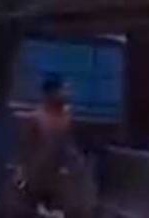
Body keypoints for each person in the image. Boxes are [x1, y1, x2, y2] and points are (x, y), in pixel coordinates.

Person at [6, 75, 91, 218]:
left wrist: (77, 168)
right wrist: (21, 172)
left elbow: (70, 147)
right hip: (36, 178)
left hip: (59, 179)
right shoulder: (36, 118)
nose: (66, 93)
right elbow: (25, 148)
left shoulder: (67, 118)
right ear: (50, 93)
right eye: (62, 89)